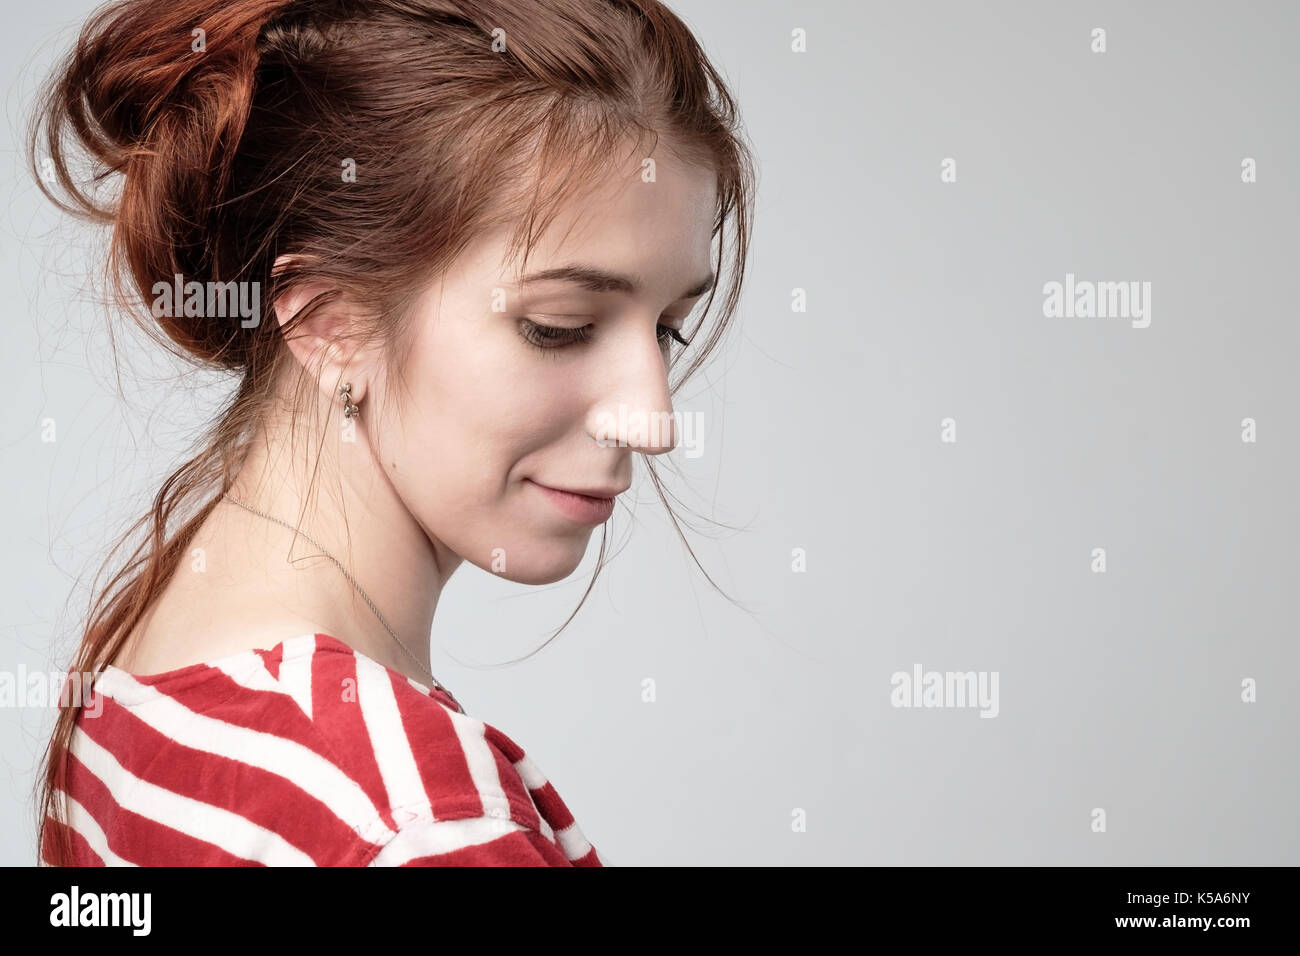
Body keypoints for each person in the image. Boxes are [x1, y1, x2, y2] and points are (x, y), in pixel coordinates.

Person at [29, 0, 755, 865]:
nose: (654, 418)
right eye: (559, 326)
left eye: (668, 327)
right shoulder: (415, 820)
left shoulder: (150, 665)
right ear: (332, 322)